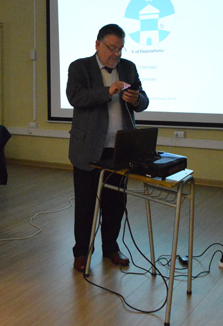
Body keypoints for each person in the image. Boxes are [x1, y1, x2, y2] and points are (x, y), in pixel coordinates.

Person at [66, 24, 149, 272]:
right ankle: (82, 253)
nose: (116, 54)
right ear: (97, 44)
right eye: (112, 48)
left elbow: (143, 99)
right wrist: (107, 91)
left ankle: (111, 248)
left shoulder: (128, 67)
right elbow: (75, 97)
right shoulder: (79, 67)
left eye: (120, 49)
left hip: (120, 148)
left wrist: (137, 99)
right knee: (85, 204)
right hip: (88, 147)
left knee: (115, 203)